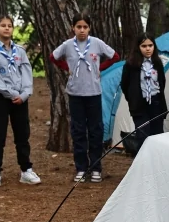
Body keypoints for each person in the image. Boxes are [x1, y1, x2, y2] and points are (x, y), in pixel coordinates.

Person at [49, 12, 119, 183]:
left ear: (89, 28)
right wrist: (66, 67)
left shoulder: (96, 43)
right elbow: (53, 57)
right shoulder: (68, 45)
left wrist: (99, 69)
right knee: (78, 131)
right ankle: (81, 167)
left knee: (95, 131)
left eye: (85, 27)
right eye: (78, 27)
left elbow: (114, 56)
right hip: (75, 94)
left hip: (94, 93)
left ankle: (96, 167)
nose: (82, 30)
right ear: (73, 28)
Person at [0, 15, 40, 188]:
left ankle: (26, 170)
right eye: (3, 25)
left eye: (9, 25)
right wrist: (11, 94)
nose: (7, 28)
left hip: (20, 99)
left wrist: (24, 94)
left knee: (22, 134)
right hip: (1, 97)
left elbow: (27, 73)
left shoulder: (20, 51)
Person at [120, 32, 167, 156]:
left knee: (157, 135)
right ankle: (143, 161)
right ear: (138, 47)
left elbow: (162, 82)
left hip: (156, 103)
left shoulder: (157, 63)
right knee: (143, 135)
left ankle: (157, 161)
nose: (147, 49)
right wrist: (133, 99)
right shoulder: (130, 65)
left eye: (150, 45)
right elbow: (125, 85)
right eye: (144, 46)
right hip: (140, 105)